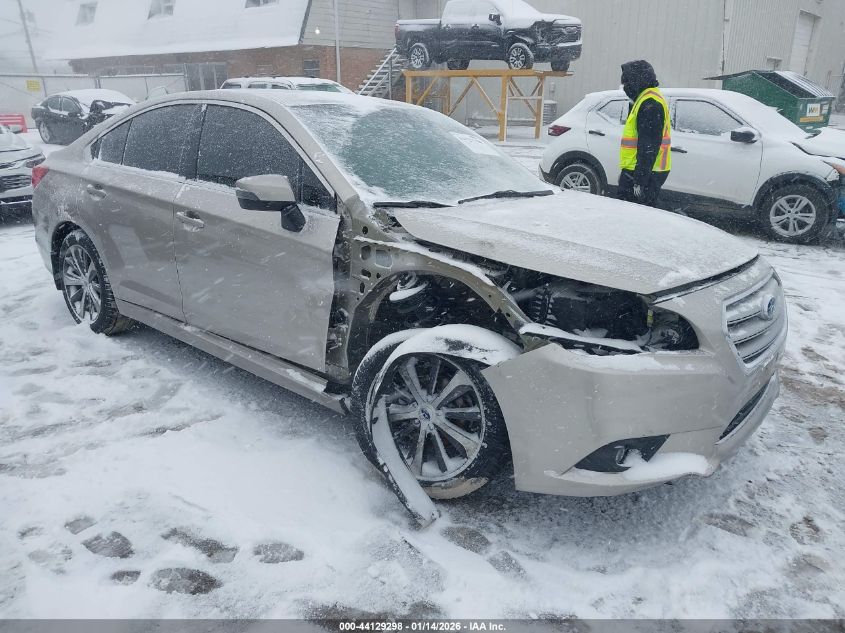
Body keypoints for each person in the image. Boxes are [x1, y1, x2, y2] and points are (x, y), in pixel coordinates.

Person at [617, 60, 671, 207]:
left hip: (645, 173)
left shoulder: (650, 104)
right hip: (640, 171)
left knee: (634, 213)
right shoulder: (644, 99)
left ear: (637, 81)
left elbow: (648, 146)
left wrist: (639, 180)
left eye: (627, 83)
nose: (625, 88)